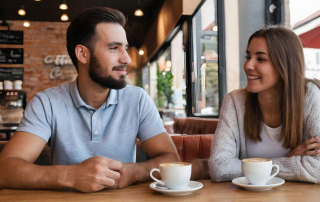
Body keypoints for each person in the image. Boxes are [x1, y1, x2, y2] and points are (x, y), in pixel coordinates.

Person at [0, 7, 180, 192]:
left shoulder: (138, 99)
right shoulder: (47, 103)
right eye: (114, 48)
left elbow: (171, 160)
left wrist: (134, 172)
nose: (126, 58)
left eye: (125, 48)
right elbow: (5, 169)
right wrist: (71, 175)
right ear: (82, 54)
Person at [208, 26, 320, 183]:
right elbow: (219, 167)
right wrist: (288, 159)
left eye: (260, 59)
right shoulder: (235, 101)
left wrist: (257, 168)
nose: (248, 65)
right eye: (248, 56)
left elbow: (317, 168)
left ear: (284, 65)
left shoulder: (311, 96)